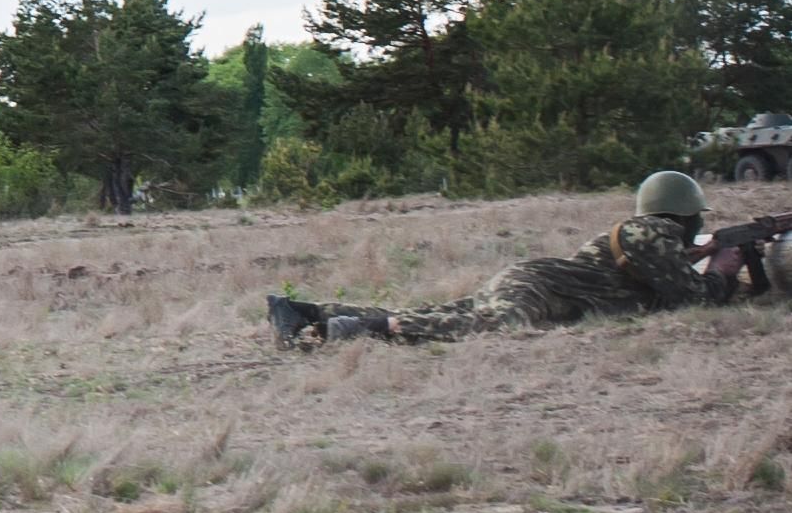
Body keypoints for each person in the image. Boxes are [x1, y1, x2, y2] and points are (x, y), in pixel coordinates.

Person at [267, 170, 718, 347]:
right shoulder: (655, 232)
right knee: (488, 327)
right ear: (685, 212)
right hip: (539, 287)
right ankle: (363, 329)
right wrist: (726, 269)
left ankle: (305, 311)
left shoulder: (641, 233)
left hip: (535, 280)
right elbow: (691, 298)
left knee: (443, 313)